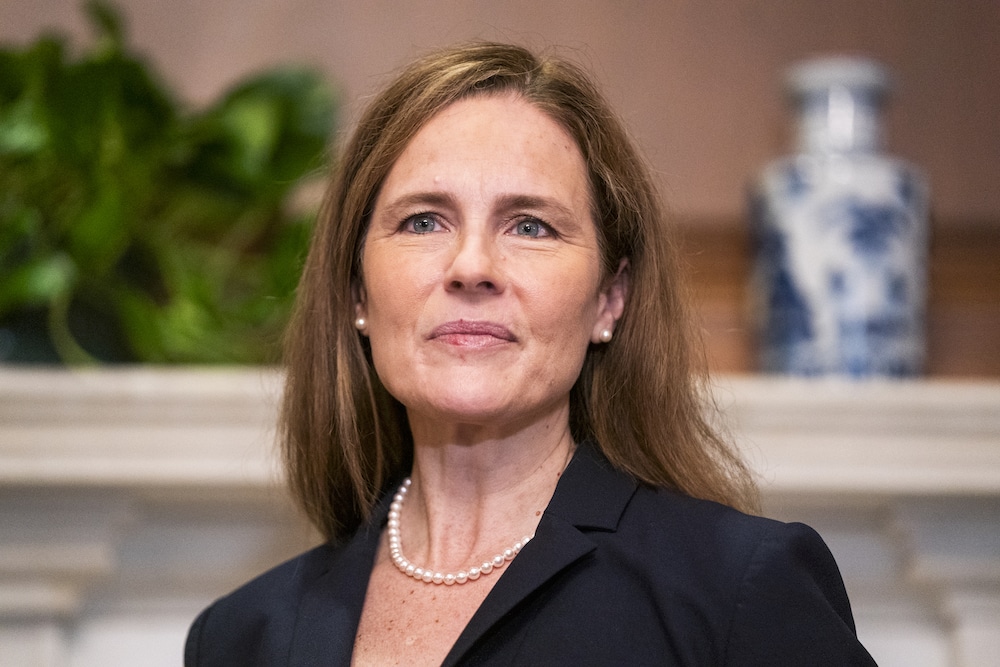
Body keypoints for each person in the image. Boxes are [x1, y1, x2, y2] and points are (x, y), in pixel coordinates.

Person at [185, 42, 877, 666]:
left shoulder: (738, 590)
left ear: (610, 298)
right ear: (356, 291)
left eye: (531, 225)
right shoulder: (240, 637)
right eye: (423, 220)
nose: (472, 265)